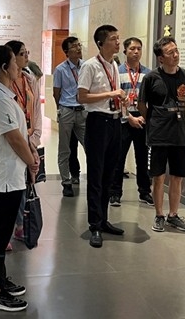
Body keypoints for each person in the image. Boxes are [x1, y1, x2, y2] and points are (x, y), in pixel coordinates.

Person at [0, 45, 40, 311]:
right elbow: (13, 138)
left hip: (10, 173)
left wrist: (31, 154)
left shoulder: (3, 95)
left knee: (1, 232)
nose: (19, 66)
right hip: (3, 175)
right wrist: (32, 161)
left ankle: (0, 279)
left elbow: (19, 134)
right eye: (15, 62)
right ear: (4, 67)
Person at [138, 36, 185, 234]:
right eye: (170, 53)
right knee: (158, 177)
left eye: (176, 50)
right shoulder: (151, 78)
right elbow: (141, 105)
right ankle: (159, 214)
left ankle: (173, 215)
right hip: (158, 135)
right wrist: (155, 121)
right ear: (160, 58)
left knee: (178, 176)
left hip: (179, 134)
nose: (176, 55)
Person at [78, 25, 126, 248]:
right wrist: (111, 93)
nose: (118, 43)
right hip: (98, 122)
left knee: (109, 173)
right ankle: (94, 225)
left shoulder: (114, 64)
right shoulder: (90, 66)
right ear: (100, 43)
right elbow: (82, 97)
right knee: (96, 175)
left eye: (118, 38)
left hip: (114, 121)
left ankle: (104, 219)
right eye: (113, 39)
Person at [5, 41, 42, 246]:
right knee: (10, 187)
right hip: (13, 140)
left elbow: (36, 111)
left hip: (30, 138)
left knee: (25, 183)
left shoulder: (29, 79)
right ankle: (5, 230)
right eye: (21, 53)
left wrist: (34, 139)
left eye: (27, 52)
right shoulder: (4, 83)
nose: (26, 56)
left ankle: (20, 225)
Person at [109, 37, 153, 207]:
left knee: (142, 158)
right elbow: (116, 100)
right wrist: (129, 117)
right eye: (132, 49)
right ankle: (115, 193)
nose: (136, 52)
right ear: (125, 51)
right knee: (118, 158)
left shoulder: (148, 73)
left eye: (139, 49)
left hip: (142, 118)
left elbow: (151, 99)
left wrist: (144, 116)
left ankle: (144, 192)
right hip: (123, 119)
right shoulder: (117, 72)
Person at [53, 36, 86, 197]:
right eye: (74, 46)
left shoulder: (85, 66)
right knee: (65, 148)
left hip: (83, 111)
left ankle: (95, 178)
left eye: (79, 45)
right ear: (66, 51)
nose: (78, 48)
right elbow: (56, 93)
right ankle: (66, 182)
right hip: (67, 110)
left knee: (90, 145)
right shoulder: (60, 69)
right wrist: (60, 109)